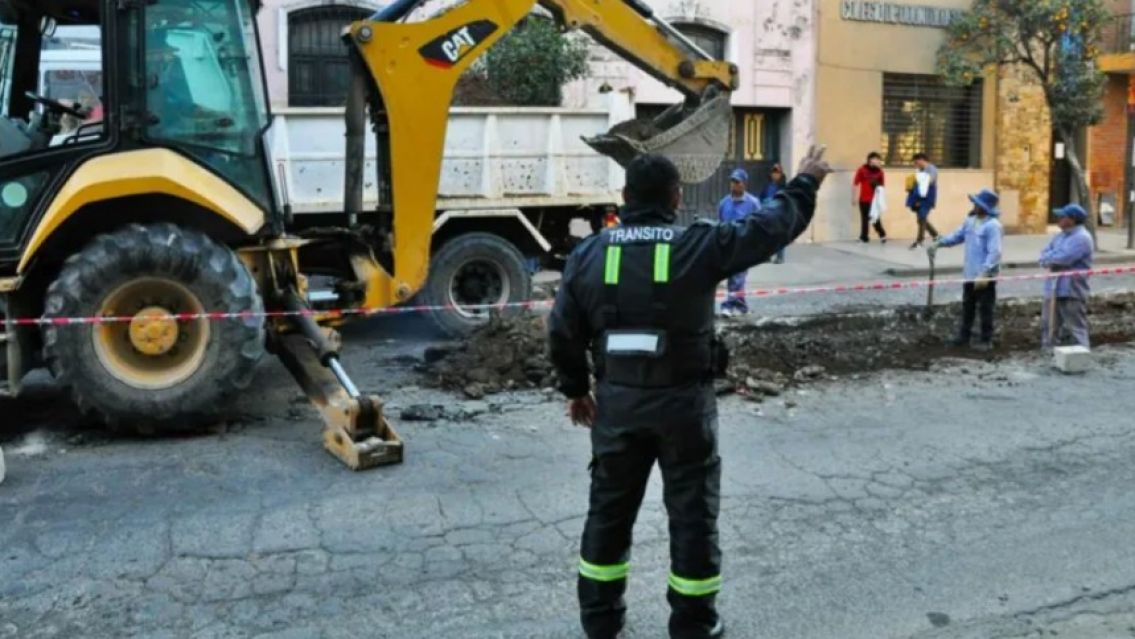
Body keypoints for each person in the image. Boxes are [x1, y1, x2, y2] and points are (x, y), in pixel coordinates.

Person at [548, 147, 831, 639]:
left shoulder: (589, 253)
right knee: (693, 517)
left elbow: (562, 332)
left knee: (608, 512)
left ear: (624, 198)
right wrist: (804, 181)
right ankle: (694, 625)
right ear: (677, 198)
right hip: (685, 410)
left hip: (617, 409)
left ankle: (600, 620)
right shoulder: (698, 245)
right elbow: (770, 229)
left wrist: (576, 390)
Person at [928, 188, 1003, 351]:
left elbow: (995, 252)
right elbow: (957, 236)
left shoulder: (992, 226)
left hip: (984, 277)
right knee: (967, 306)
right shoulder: (971, 221)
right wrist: (940, 242)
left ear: (986, 207)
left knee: (985, 308)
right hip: (969, 274)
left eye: (978, 203)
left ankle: (986, 339)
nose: (974, 205)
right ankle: (964, 336)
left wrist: (986, 272)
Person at [1039, 204, 1094, 349]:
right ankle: (1049, 353)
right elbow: (1045, 253)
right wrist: (1048, 258)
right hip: (1053, 287)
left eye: (1062, 217)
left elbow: (1064, 258)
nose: (1058, 219)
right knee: (1049, 324)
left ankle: (1080, 356)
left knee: (1075, 327)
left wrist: (1049, 258)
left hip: (1071, 290)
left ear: (1072, 219)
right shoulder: (1060, 236)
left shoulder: (1082, 238)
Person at [716, 168, 764, 315]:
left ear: (744, 184)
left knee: (737, 276)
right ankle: (741, 306)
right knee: (734, 276)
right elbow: (720, 223)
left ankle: (729, 305)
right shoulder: (724, 203)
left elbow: (760, 223)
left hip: (744, 246)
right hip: (728, 245)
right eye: (732, 181)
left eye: (737, 182)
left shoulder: (753, 203)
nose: (734, 185)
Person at [852, 152, 888, 243]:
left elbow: (882, 187)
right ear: (870, 160)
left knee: (875, 218)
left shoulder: (880, 172)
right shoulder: (861, 170)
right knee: (864, 218)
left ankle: (882, 234)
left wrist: (878, 188)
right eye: (877, 159)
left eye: (879, 160)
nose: (878, 161)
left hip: (875, 200)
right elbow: (855, 184)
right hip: (863, 199)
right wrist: (854, 197)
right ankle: (864, 237)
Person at [908, 153, 940, 249]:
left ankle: (919, 241)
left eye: (916, 162)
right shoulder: (919, 170)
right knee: (921, 219)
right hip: (919, 196)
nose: (915, 164)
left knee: (922, 218)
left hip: (927, 197)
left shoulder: (932, 169)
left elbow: (929, 182)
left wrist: (918, 179)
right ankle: (936, 235)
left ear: (922, 160)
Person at [759, 164, 789, 263]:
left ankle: (780, 257)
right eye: (774, 172)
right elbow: (761, 197)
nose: (775, 175)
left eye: (777, 173)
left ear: (781, 174)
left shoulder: (784, 187)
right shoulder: (767, 186)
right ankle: (767, 256)